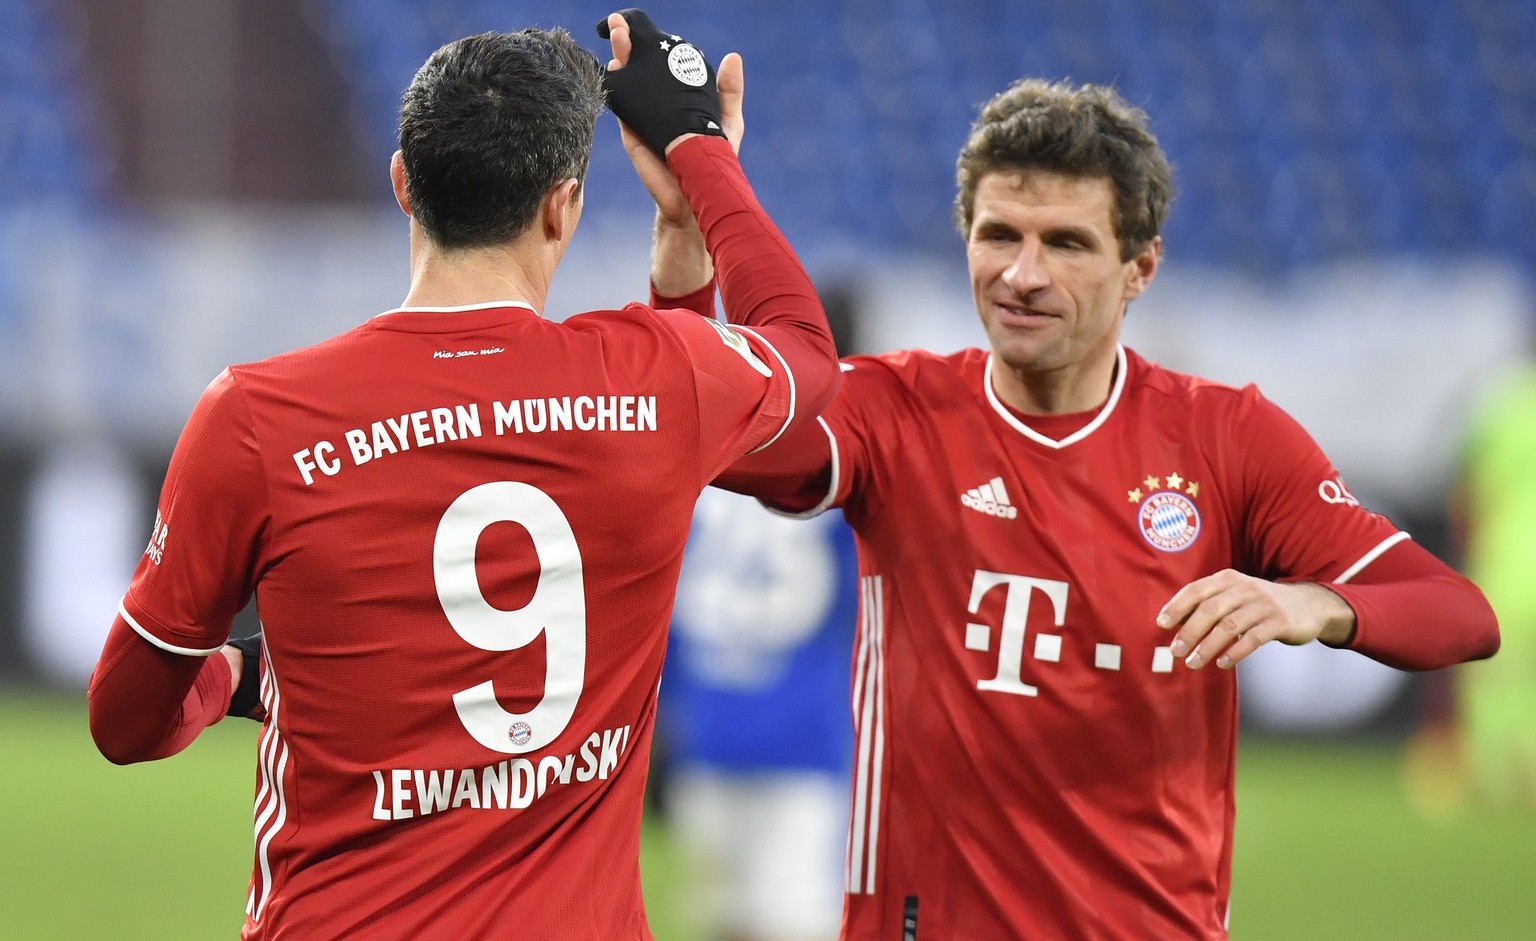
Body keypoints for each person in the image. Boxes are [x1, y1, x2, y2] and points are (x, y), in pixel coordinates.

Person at [649, 77, 1502, 939]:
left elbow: (1458, 614)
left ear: (1142, 267)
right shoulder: (894, 413)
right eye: (999, 236)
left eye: (1065, 242)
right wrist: (690, 239)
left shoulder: (1228, 438)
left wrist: (1317, 601)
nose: (1023, 275)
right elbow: (702, 428)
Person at [86, 11, 840, 940]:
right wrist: (698, 162)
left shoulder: (255, 417)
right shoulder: (657, 383)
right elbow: (801, 353)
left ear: (403, 184)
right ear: (563, 206)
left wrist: (245, 677)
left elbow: (124, 722)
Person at [660, 487, 858, 941]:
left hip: (707, 726)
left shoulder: (694, 483)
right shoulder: (832, 479)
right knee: (793, 923)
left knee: (728, 921)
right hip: (803, 736)